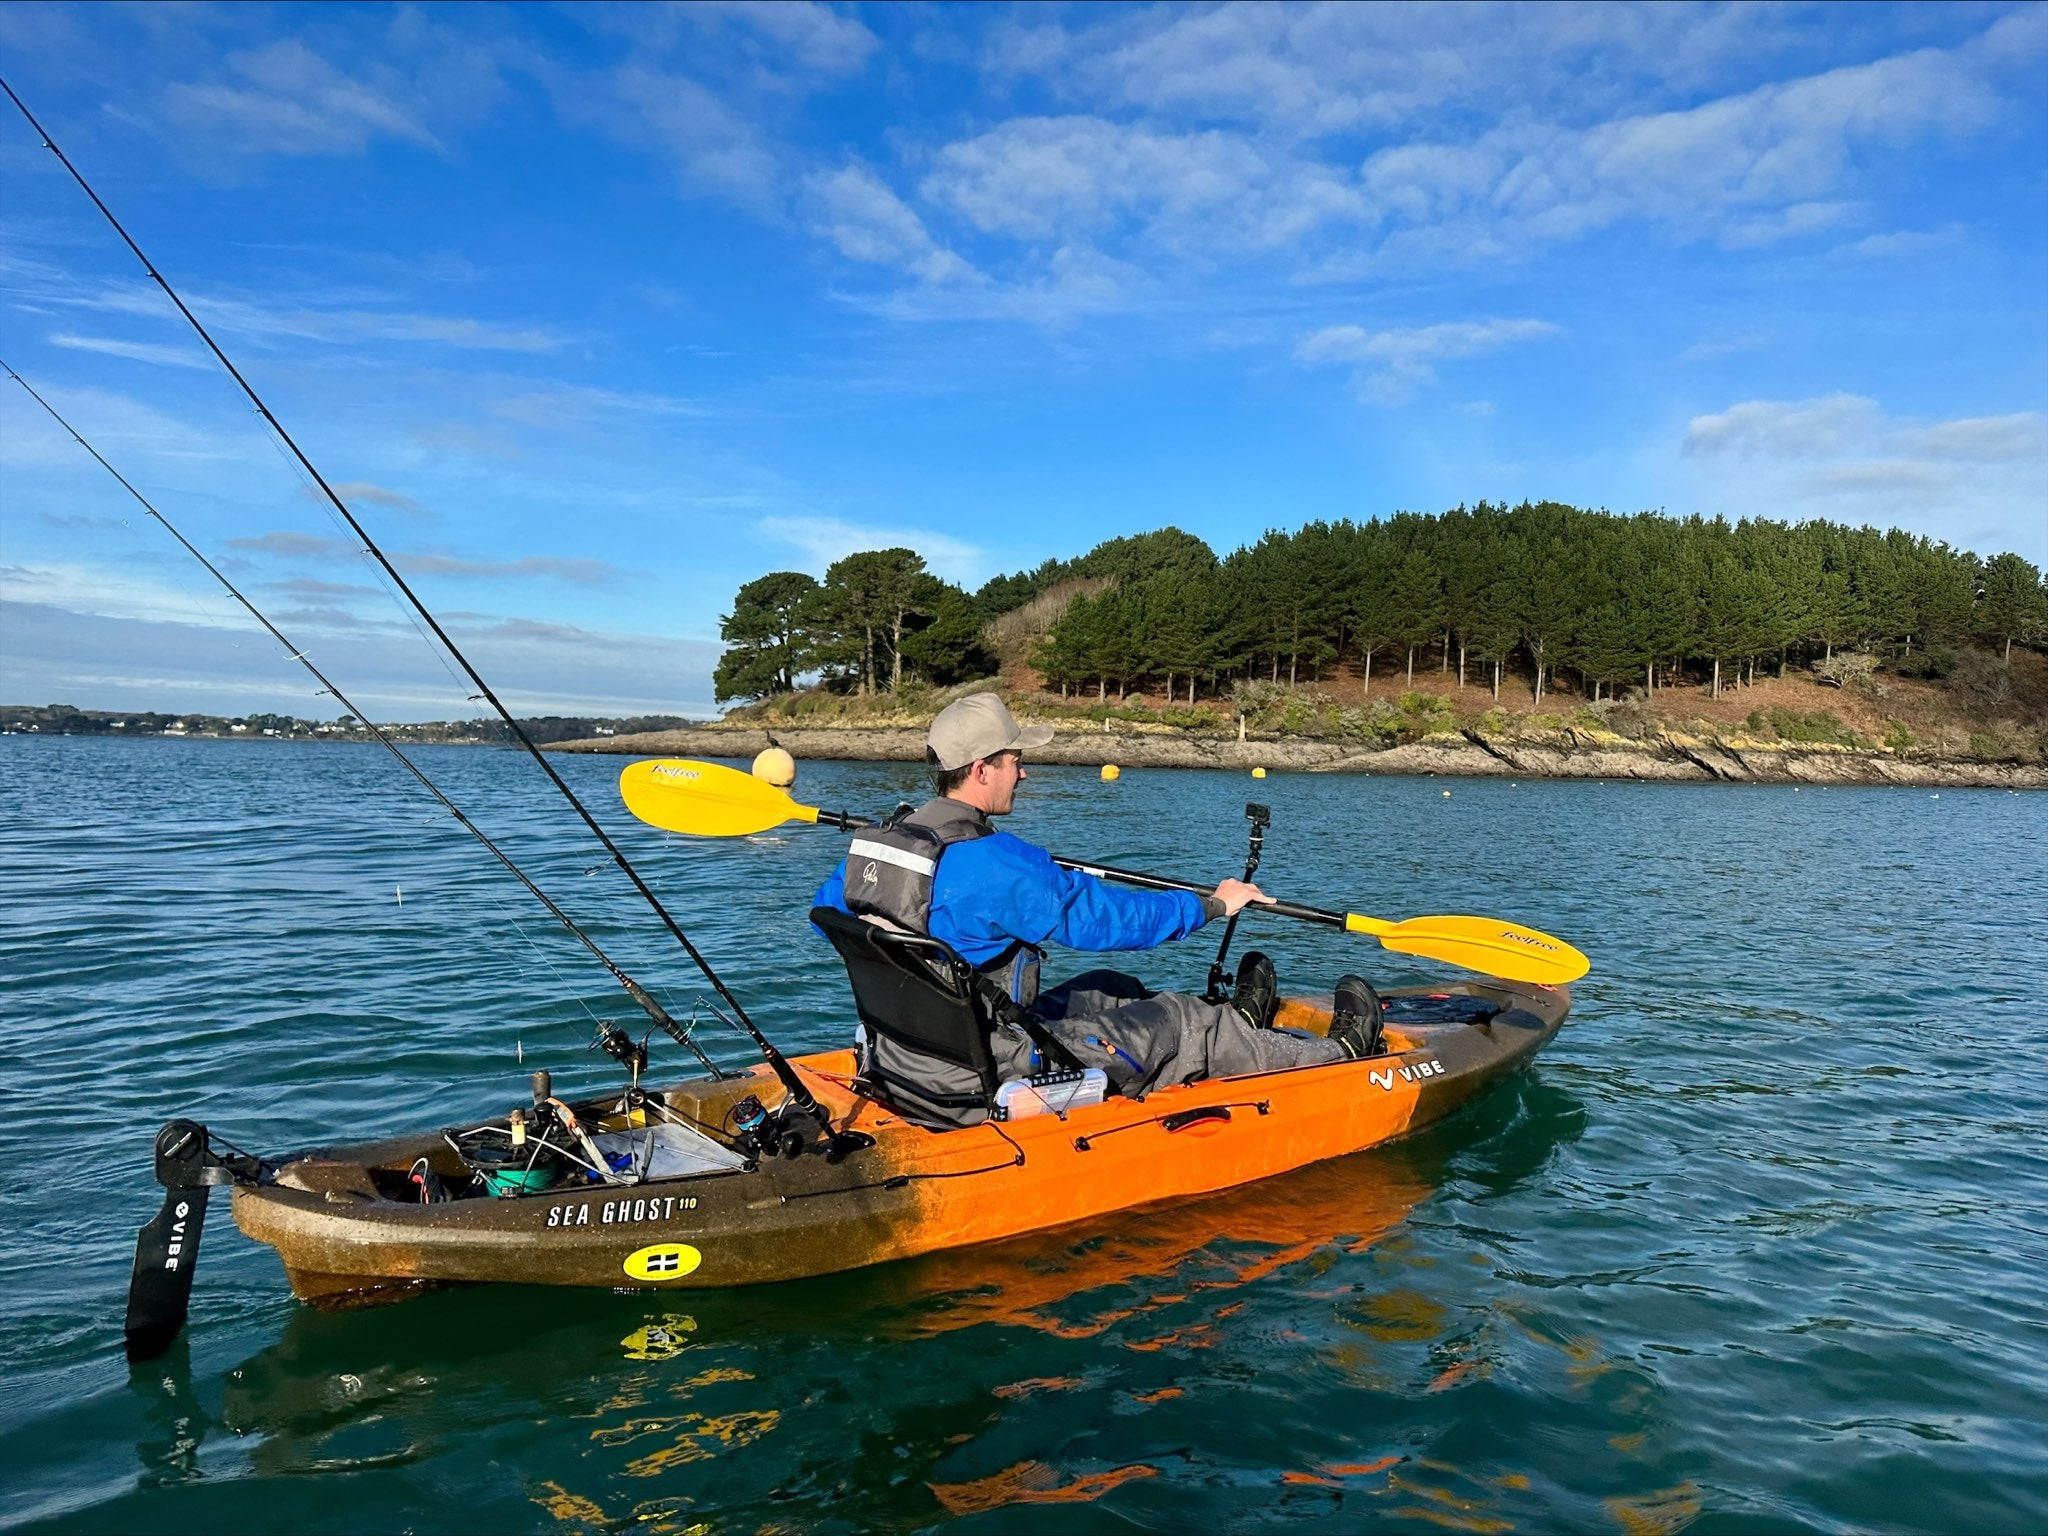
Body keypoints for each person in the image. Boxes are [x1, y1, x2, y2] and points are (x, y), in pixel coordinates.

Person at [813, 693, 1385, 1125]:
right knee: (1189, 1020)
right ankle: (1338, 1056)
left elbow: (833, 921)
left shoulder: (878, 846)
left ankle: (1249, 1032)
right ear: (983, 768)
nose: (1025, 771)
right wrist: (1212, 904)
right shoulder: (999, 865)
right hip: (986, 1070)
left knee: (1113, 985)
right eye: (1015, 760)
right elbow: (1109, 921)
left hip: (903, 1053)